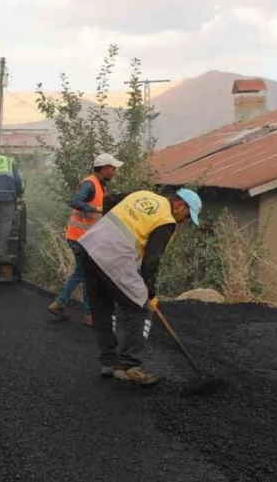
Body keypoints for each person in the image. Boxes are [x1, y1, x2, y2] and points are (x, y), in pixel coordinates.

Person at [79, 188, 202, 386]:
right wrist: (149, 293)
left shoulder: (144, 194)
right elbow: (152, 261)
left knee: (102, 307)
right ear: (179, 204)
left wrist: (107, 230)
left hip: (90, 245)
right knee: (140, 308)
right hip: (114, 256)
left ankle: (109, 362)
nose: (185, 220)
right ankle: (130, 366)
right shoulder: (166, 220)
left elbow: (109, 199)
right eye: (187, 216)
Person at [49, 153, 124, 327]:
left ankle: (59, 303)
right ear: (104, 168)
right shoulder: (90, 184)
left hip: (85, 238)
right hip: (79, 238)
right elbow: (75, 202)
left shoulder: (99, 185)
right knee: (88, 275)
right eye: (113, 169)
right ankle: (89, 315)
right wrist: (98, 209)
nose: (115, 172)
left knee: (81, 273)